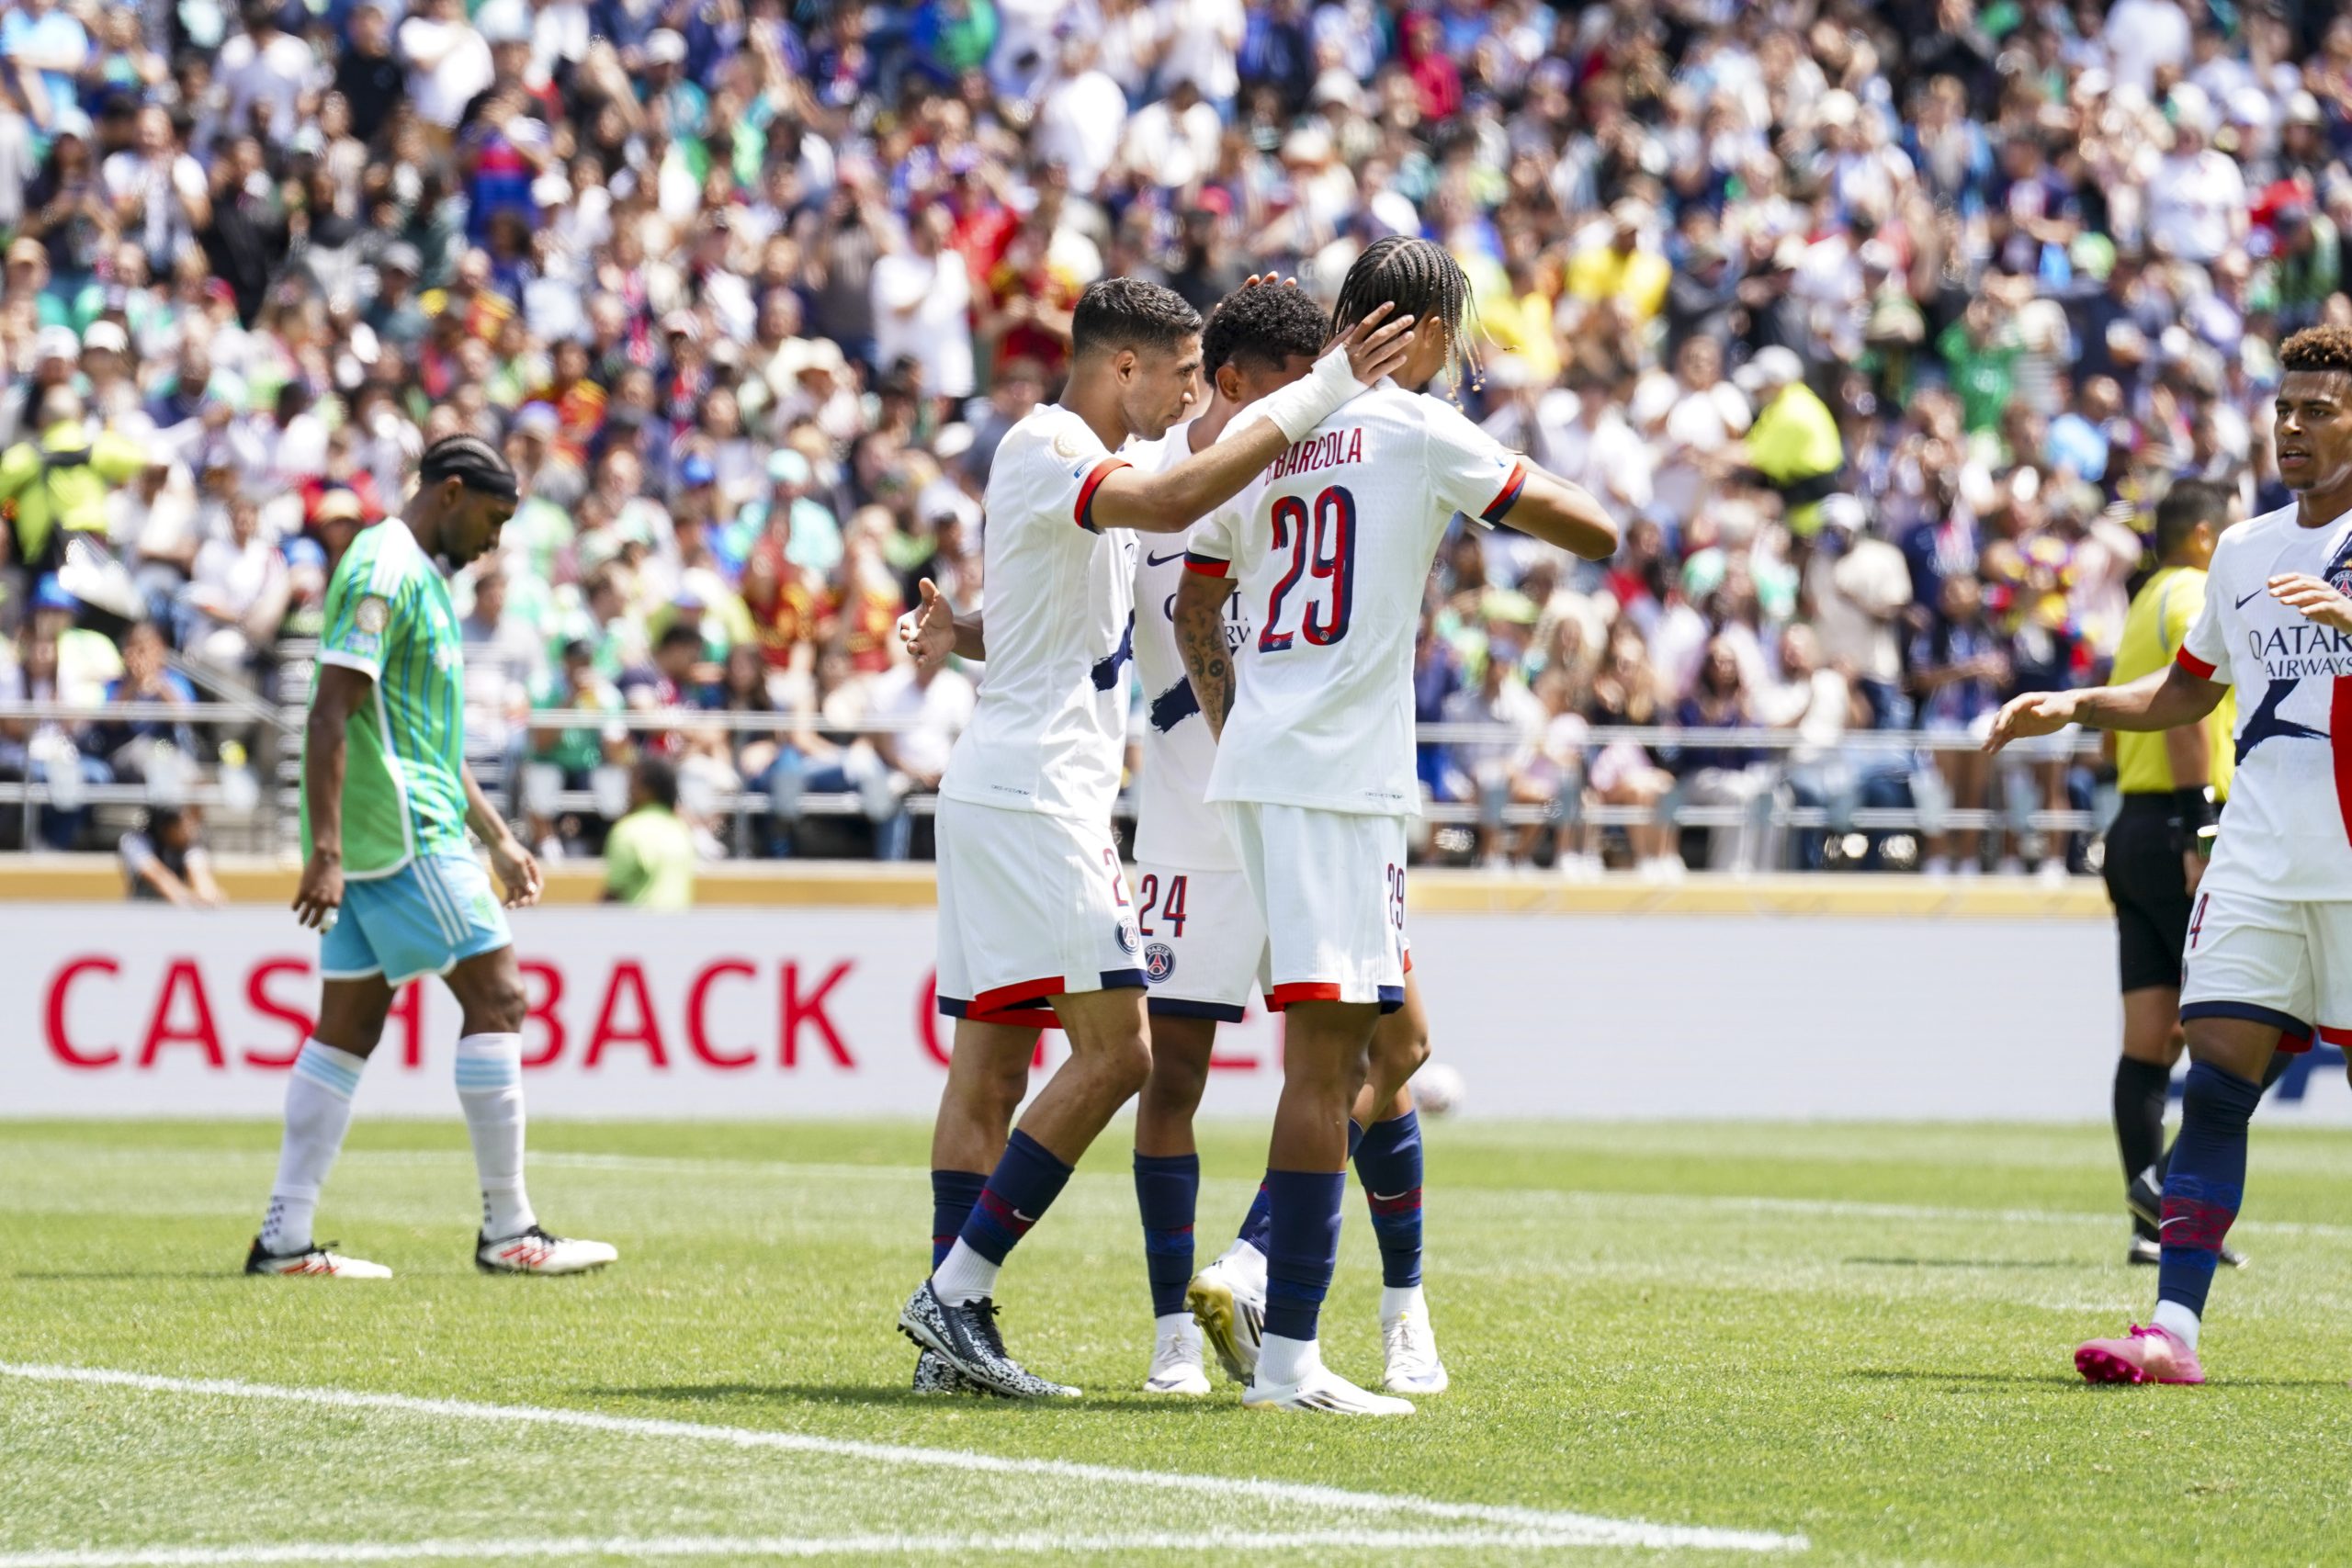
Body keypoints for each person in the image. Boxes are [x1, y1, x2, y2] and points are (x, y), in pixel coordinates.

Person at [900, 279, 1454, 1401]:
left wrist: (961, 631)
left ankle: (958, 1334)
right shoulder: (1070, 450)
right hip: (1060, 797)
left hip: (1047, 788)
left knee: (1002, 1062)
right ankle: (963, 1296)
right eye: (1184, 374)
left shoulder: (1103, 465)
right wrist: (1327, 389)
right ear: (1127, 368)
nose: (1194, 393)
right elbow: (1173, 508)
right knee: (1128, 1058)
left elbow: (1060, 620)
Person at [1175, 236, 1619, 1413]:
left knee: (1387, 1047)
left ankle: (1303, 1310)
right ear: (1418, 331)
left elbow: (1194, 606)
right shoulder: (1417, 429)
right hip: (1336, 782)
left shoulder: (1267, 433)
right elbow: (1592, 529)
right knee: (1328, 1069)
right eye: (1449, 337)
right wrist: (1506, 482)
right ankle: (1287, 1356)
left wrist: (1239, 724)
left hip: (1266, 771)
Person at [1988, 326, 2352, 1386]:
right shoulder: (2240, 552)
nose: (2291, 426)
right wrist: (2077, 705)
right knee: (2217, 1084)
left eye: (2318, 409)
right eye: (2283, 409)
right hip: (2257, 859)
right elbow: (2190, 688)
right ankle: (2171, 1332)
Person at [248, 434, 616, 1280]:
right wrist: (326, 848)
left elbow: (428, 736)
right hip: (402, 830)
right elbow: (329, 712)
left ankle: (284, 1237)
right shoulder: (384, 569)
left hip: (400, 828)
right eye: (492, 519)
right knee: (500, 995)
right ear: (450, 492)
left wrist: (498, 836)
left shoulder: (420, 576)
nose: (494, 541)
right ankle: (509, 1229)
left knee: (348, 1027)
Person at [2099, 479, 2265, 1269]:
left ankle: (2149, 1218)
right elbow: (2184, 707)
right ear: (2204, 536)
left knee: (2149, 1038)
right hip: (2183, 826)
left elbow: (2117, 729)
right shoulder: (2195, 591)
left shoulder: (2141, 601)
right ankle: (2170, 1187)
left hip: (2132, 826)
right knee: (2250, 1019)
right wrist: (2200, 823)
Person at [602, 752, 695, 909]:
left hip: (640, 922)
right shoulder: (682, 830)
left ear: (649, 790)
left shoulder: (628, 831)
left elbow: (614, 892)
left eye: (633, 782)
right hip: (680, 922)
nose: (628, 789)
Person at [119, 806, 224, 906]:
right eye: (183, 821)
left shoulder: (190, 845)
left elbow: (202, 878)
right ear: (165, 827)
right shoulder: (135, 840)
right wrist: (190, 901)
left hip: (176, 913)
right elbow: (157, 876)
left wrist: (209, 896)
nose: (190, 827)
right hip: (143, 910)